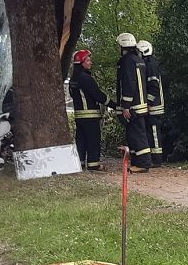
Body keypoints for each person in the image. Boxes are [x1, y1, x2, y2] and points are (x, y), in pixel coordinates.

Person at [115, 32, 153, 173]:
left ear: (123, 46)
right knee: (135, 134)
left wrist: (125, 106)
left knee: (137, 135)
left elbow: (129, 84)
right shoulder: (138, 60)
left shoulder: (126, 62)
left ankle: (143, 164)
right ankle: (138, 162)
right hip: (140, 104)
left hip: (133, 107)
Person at [69, 49, 109, 171]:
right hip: (90, 116)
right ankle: (93, 165)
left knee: (81, 140)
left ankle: (79, 164)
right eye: (88, 60)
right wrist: (114, 104)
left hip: (79, 116)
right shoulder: (86, 78)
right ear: (81, 62)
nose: (90, 62)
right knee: (93, 140)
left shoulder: (73, 79)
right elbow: (98, 95)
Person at [136, 40, 165, 167]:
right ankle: (154, 158)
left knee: (154, 132)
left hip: (154, 105)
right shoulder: (146, 63)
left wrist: (149, 101)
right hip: (151, 104)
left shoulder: (150, 64)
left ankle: (157, 159)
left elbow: (153, 85)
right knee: (150, 131)